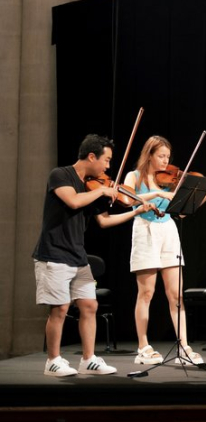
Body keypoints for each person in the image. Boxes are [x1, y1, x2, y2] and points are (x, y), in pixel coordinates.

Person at [34, 134, 156, 377]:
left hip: (78, 255)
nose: (108, 167)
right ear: (91, 157)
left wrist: (137, 211)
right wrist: (102, 191)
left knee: (90, 305)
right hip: (54, 252)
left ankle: (88, 359)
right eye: (107, 160)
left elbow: (104, 221)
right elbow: (74, 200)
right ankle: (53, 360)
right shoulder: (61, 175)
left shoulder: (95, 185)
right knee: (59, 308)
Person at [123, 135, 206, 365]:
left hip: (168, 229)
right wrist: (156, 193)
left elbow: (184, 212)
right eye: (161, 156)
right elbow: (126, 199)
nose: (166, 161)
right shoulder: (134, 176)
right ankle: (143, 346)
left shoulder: (169, 181)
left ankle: (184, 347)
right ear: (150, 155)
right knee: (146, 293)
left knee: (176, 295)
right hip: (145, 230)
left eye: (168, 156)